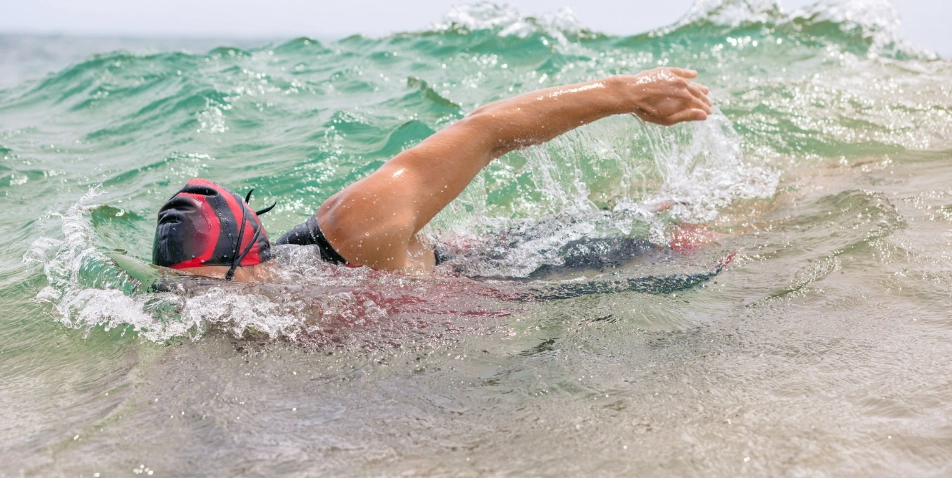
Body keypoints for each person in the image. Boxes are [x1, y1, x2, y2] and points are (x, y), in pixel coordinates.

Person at [152, 67, 713, 282]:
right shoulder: (232, 290)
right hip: (460, 266)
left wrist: (627, 93)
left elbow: (487, 131)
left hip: (519, 271)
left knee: (697, 240)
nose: (202, 311)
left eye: (207, 292)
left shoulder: (356, 228)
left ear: (249, 265)